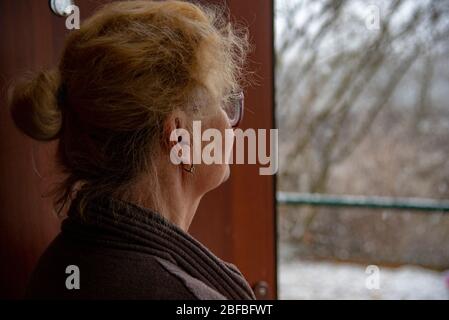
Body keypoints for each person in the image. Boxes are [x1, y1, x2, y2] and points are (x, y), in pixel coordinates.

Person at [9, 0, 254, 300]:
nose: (231, 124)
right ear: (180, 140)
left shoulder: (57, 263)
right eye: (223, 101)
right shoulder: (185, 298)